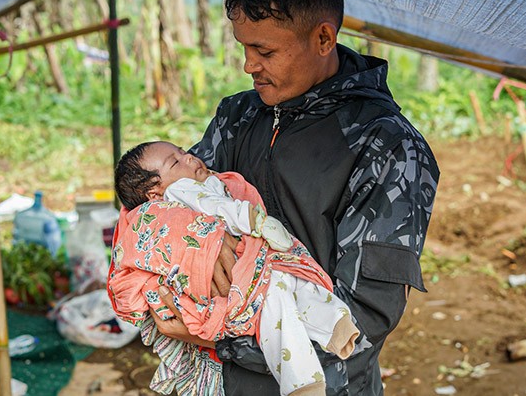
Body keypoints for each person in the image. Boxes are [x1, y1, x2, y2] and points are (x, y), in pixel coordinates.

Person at [153, 0, 440, 396]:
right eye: (244, 47)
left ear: (323, 38)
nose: (249, 65)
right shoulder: (238, 117)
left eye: (265, 51)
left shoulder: (385, 146)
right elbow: (159, 202)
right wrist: (199, 246)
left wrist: (215, 334)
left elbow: (361, 321)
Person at [109, 140, 359, 396]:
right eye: (175, 162)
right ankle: (304, 378)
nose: (191, 159)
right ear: (154, 194)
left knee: (282, 288)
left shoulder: (207, 180)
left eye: (184, 152)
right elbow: (218, 207)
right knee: (276, 293)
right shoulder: (181, 190)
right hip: (237, 268)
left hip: (244, 265)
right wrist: (254, 220)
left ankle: (329, 330)